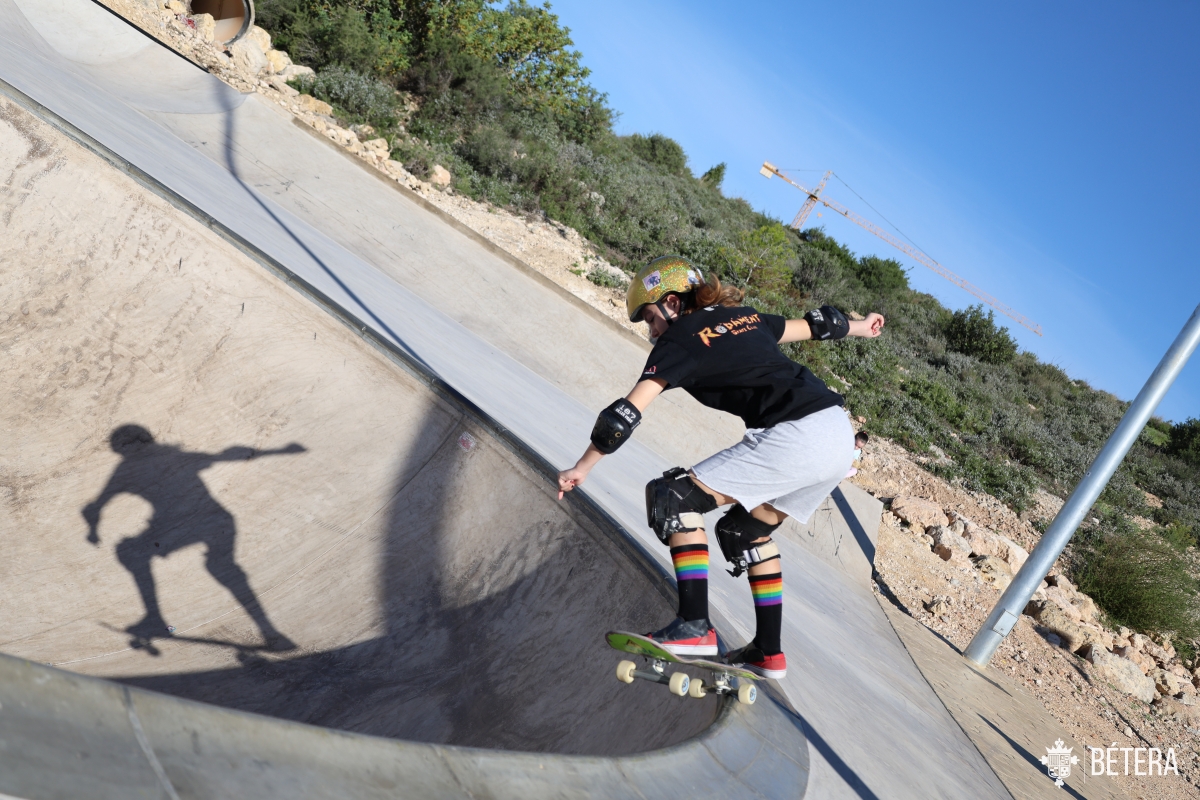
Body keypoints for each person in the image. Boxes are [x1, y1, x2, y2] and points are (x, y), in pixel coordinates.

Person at [557, 255, 885, 678]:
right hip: (837, 434)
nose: (650, 330)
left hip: (797, 434)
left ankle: (694, 626)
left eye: (650, 318)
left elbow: (623, 416)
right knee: (744, 531)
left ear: (672, 303)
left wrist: (583, 466)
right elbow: (818, 325)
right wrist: (862, 326)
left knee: (673, 498)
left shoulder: (679, 341)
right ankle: (768, 651)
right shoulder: (743, 317)